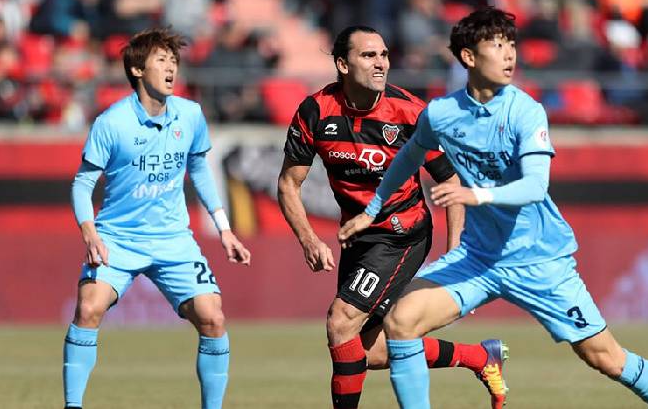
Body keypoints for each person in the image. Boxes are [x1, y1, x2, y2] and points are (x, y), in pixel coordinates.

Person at [338, 7, 648, 409]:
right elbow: (410, 155)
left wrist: (476, 196)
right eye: (497, 45)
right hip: (479, 259)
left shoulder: (525, 110)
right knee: (401, 322)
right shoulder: (441, 113)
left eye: (511, 45)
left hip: (540, 261)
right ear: (469, 57)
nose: (509, 55)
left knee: (605, 358)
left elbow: (536, 185)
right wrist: (373, 208)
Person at [277, 25, 508, 409]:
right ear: (343, 64)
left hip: (402, 234)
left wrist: (452, 258)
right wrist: (308, 239)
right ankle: (481, 359)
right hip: (357, 238)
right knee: (365, 351)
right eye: (369, 55)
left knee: (340, 321)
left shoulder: (411, 113)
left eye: (383, 54)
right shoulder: (316, 111)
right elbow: (288, 184)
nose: (381, 62)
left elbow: (451, 182)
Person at [62, 27, 251, 409]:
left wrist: (224, 228)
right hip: (118, 239)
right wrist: (90, 232)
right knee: (87, 309)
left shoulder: (191, 114)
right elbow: (82, 184)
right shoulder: (111, 123)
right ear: (137, 70)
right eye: (161, 60)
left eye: (174, 61)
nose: (171, 68)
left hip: (173, 241)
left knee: (212, 317)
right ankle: (73, 405)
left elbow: (198, 169)